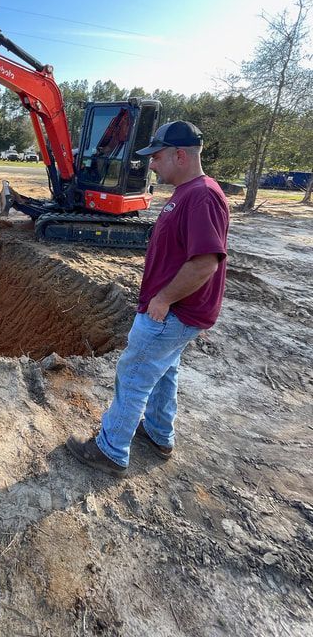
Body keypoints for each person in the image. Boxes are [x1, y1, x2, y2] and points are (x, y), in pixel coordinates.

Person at [66, 121, 229, 477]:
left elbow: (205, 262)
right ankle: (158, 434)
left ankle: (110, 450)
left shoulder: (202, 195)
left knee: (134, 373)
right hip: (179, 313)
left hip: (171, 313)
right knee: (165, 371)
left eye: (156, 157)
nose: (151, 165)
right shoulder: (191, 191)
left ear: (180, 155)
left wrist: (163, 300)